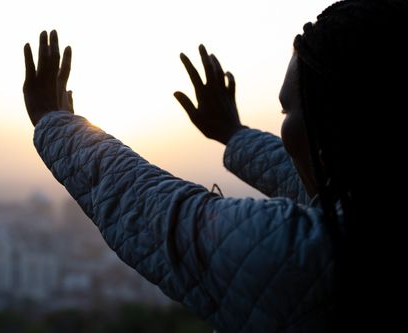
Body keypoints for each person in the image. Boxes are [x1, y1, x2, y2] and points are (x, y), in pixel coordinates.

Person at [22, 1, 407, 331]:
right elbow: (302, 184)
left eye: (288, 110)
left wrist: (53, 121)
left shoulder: (319, 256)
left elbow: (162, 215)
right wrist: (234, 135)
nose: (284, 125)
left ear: (333, 127)